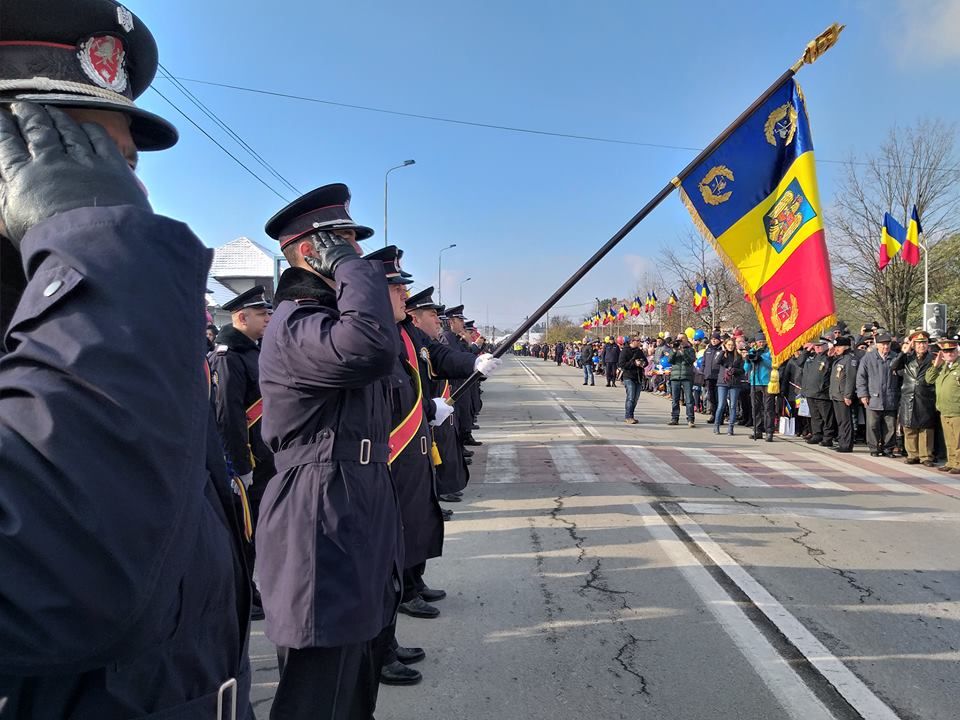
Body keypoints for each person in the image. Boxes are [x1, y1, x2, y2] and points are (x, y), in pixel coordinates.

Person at [0, 3, 255, 718]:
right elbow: (65, 584)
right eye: (72, 152)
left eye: (124, 164)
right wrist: (100, 259)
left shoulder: (89, 306)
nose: (121, 191)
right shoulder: (106, 293)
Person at [258, 184, 402, 718]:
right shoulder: (296, 323)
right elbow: (369, 348)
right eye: (343, 241)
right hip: (320, 506)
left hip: (355, 497)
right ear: (309, 251)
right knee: (321, 682)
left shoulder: (328, 319)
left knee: (357, 670)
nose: (356, 252)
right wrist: (350, 269)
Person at [209, 285, 274, 621]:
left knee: (255, 532)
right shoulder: (228, 356)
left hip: (262, 458)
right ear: (241, 318)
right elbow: (227, 416)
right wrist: (238, 466)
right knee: (242, 532)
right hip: (245, 461)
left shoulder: (252, 351)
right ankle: (239, 596)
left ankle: (248, 588)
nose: (268, 318)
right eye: (262, 314)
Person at [892, 330, 938, 466]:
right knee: (909, 427)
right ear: (913, 344)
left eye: (924, 343)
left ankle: (926, 456)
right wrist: (904, 352)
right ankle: (912, 454)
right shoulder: (907, 358)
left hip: (926, 396)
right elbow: (893, 366)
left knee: (926, 428)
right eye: (918, 343)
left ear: (928, 344)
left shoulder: (933, 358)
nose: (921, 346)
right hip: (909, 396)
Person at [856, 331, 902, 457]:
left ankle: (888, 448)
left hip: (890, 397)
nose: (885, 347)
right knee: (872, 425)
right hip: (873, 397)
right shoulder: (868, 358)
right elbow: (861, 377)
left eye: (887, 344)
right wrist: (863, 394)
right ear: (877, 345)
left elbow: (901, 377)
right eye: (883, 344)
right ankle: (874, 448)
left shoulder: (895, 357)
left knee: (890, 426)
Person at [926, 337, 960, 474]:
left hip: (957, 410)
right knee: (949, 439)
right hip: (944, 409)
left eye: (951, 350)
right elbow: (929, 379)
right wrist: (936, 365)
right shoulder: (943, 367)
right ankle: (951, 461)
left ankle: (958, 463)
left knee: (958, 440)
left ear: (957, 351)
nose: (949, 353)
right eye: (946, 351)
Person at [800, 339, 836, 446]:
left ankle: (828, 437)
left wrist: (830, 354)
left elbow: (830, 367)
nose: (817, 347)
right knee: (815, 416)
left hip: (822, 393)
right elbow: (799, 362)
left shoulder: (829, 356)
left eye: (820, 345)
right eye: (816, 346)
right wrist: (807, 350)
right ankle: (817, 434)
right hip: (811, 392)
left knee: (826, 417)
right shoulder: (812, 357)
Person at [828, 336, 859, 453]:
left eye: (839, 347)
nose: (837, 349)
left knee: (846, 421)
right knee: (840, 421)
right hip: (836, 394)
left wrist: (848, 395)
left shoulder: (850, 359)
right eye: (836, 346)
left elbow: (851, 378)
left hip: (843, 395)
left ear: (846, 347)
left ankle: (846, 444)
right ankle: (842, 442)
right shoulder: (838, 359)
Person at [745, 333, 776, 442]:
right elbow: (746, 368)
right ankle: (757, 430)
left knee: (768, 408)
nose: (761, 343)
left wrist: (761, 358)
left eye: (763, 341)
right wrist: (748, 360)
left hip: (767, 382)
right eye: (759, 342)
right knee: (755, 407)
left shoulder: (770, 351)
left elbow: (773, 365)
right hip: (755, 382)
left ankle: (769, 431)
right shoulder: (752, 350)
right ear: (756, 342)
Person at [713, 338, 744, 435]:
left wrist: (735, 370)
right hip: (723, 382)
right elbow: (717, 362)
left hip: (735, 383)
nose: (731, 346)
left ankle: (731, 427)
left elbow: (742, 370)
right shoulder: (722, 354)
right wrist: (723, 351)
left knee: (733, 405)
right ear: (725, 345)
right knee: (721, 405)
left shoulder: (738, 356)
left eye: (732, 345)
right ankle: (716, 425)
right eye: (729, 345)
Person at [667, 335, 697, 427]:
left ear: (686, 339)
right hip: (675, 377)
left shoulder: (690, 350)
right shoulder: (673, 349)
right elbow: (670, 361)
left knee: (689, 399)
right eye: (678, 338)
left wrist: (683, 352)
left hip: (687, 376)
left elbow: (691, 361)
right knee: (675, 399)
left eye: (682, 338)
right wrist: (674, 351)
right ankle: (674, 418)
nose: (680, 340)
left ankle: (690, 419)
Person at [619, 337, 647, 424]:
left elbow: (646, 362)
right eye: (637, 341)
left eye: (639, 341)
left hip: (638, 376)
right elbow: (622, 364)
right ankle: (628, 416)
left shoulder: (639, 351)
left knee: (635, 398)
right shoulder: (625, 351)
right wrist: (634, 363)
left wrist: (642, 363)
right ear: (632, 341)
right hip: (628, 376)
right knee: (630, 397)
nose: (639, 342)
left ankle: (631, 415)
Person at [702, 332, 724, 423]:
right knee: (711, 398)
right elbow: (704, 363)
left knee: (719, 398)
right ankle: (713, 415)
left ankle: (720, 417)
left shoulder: (722, 349)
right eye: (712, 339)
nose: (714, 341)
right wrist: (703, 374)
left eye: (716, 339)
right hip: (709, 377)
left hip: (718, 377)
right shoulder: (708, 350)